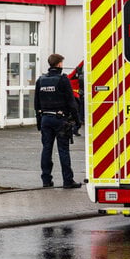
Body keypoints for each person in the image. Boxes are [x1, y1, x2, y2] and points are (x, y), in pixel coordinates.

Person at [34, 53, 81, 188]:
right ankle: (68, 181)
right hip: (60, 120)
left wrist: (39, 121)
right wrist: (77, 120)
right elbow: (71, 102)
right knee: (63, 150)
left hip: (45, 119)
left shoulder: (41, 80)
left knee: (46, 149)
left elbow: (36, 103)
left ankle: (46, 180)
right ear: (59, 64)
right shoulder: (63, 80)